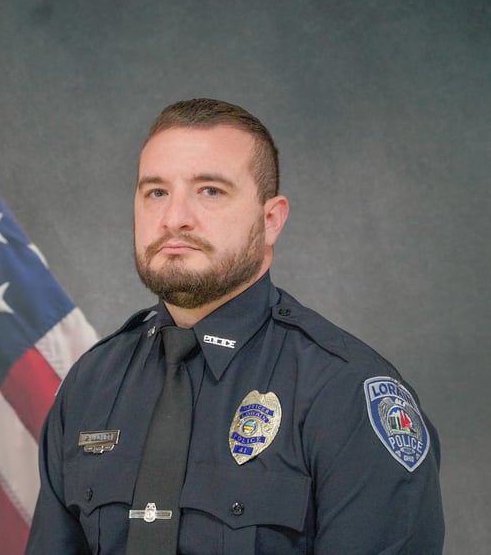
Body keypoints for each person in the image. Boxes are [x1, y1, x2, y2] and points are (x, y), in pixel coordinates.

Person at [27, 98, 444, 554]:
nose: (174, 218)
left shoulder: (344, 393)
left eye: (210, 191)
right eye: (156, 192)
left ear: (270, 220)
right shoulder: (91, 384)